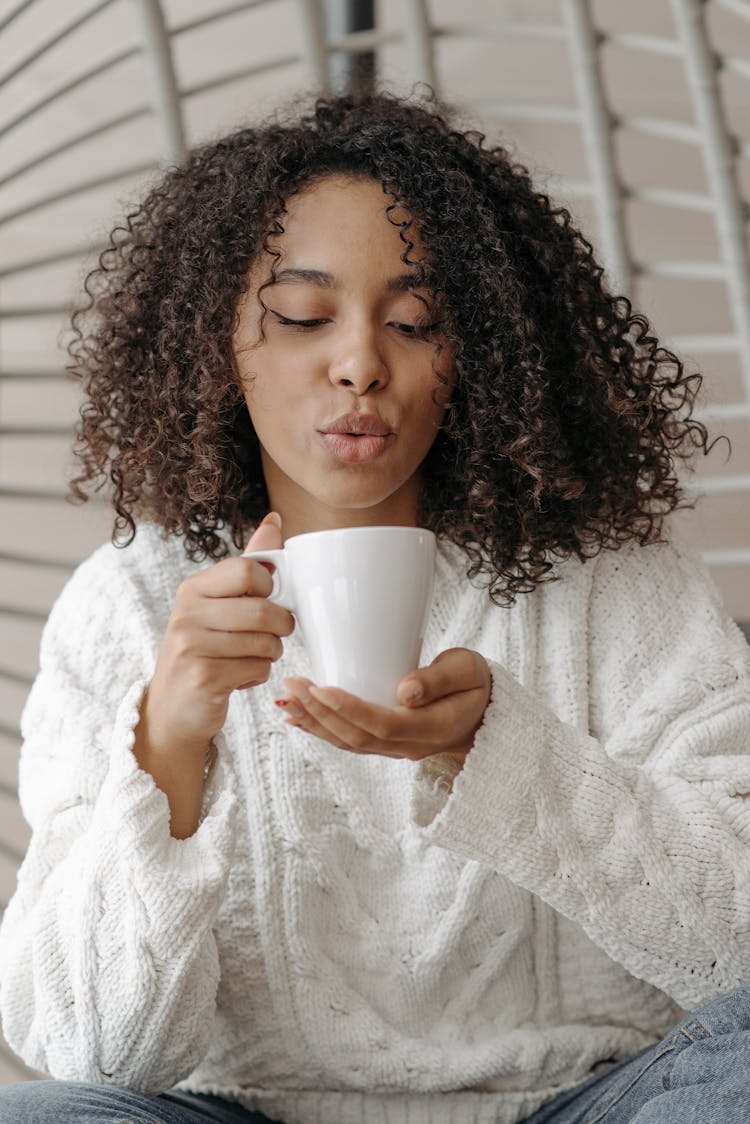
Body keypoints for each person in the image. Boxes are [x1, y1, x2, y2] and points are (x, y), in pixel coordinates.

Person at [0, 88, 748, 1124]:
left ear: (475, 349)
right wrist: (169, 740)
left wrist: (510, 760)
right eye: (304, 317)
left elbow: (740, 946)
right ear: (222, 341)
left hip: (585, 1104)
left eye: (414, 321)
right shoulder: (130, 602)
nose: (360, 362)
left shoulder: (610, 580)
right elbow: (89, 1048)